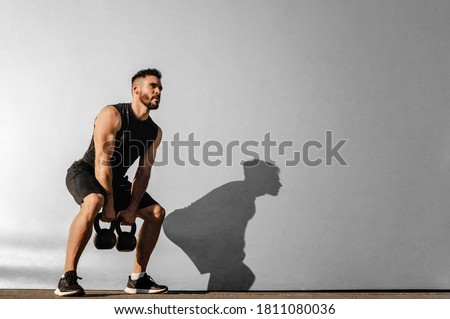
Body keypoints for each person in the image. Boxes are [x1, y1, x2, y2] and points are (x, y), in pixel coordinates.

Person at [54, 68, 167, 296]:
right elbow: (101, 162)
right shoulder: (112, 114)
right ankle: (67, 278)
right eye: (153, 86)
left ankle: (138, 279)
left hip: (117, 180)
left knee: (156, 213)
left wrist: (133, 208)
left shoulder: (154, 132)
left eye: (160, 88)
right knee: (94, 200)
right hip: (85, 172)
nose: (158, 91)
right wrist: (109, 203)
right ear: (136, 89)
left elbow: (143, 173)